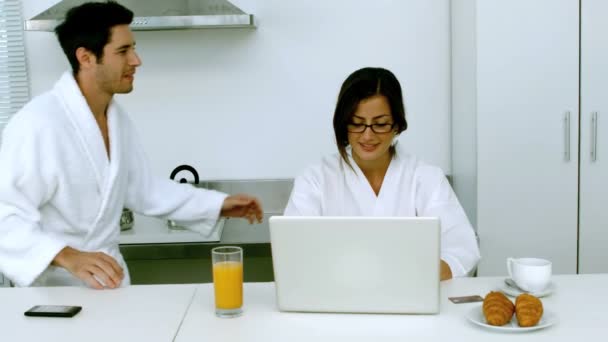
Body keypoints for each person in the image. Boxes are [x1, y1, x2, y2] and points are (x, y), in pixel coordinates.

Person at [0, 1, 263, 289]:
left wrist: (218, 205)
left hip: (111, 282)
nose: (136, 60)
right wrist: (68, 256)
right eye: (123, 51)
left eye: (133, 48)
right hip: (56, 292)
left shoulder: (116, 119)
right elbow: (5, 216)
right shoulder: (37, 123)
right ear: (86, 57)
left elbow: (143, 189)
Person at [284, 67, 480, 280]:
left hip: (410, 299)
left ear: (397, 124)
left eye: (380, 124)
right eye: (357, 124)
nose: (368, 136)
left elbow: (462, 249)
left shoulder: (426, 178)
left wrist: (412, 274)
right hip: (337, 301)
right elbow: (295, 251)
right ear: (344, 124)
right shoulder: (315, 180)